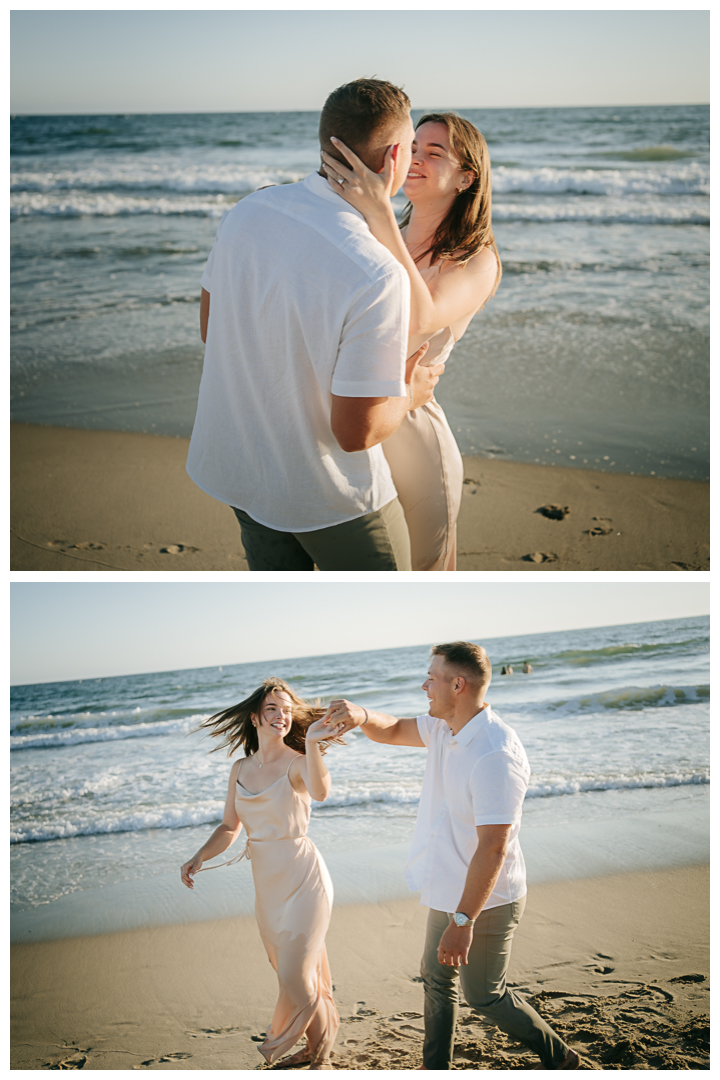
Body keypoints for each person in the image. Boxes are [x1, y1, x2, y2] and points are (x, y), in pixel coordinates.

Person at [186, 79, 444, 571]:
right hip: (330, 496)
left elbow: (210, 328)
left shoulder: (248, 211)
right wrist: (410, 391)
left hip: (243, 473)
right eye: (412, 147)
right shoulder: (376, 270)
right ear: (393, 156)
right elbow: (356, 433)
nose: (412, 160)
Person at [321, 642, 580, 1070]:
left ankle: (562, 1058)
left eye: (432, 678)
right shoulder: (447, 726)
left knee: (483, 995)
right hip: (447, 883)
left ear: (457, 685)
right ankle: (435, 1068)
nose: (424, 685)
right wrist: (362, 715)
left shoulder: (495, 754)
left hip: (488, 898)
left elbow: (493, 848)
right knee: (435, 978)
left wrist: (463, 921)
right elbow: (393, 730)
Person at [321, 114, 501, 570]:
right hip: (350, 416)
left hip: (413, 433)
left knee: (421, 573)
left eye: (434, 153)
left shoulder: (476, 260)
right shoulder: (379, 235)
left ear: (466, 177)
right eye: (413, 148)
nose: (415, 159)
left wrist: (378, 210)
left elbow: (419, 316)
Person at [180, 679, 342, 1068]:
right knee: (290, 974)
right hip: (267, 889)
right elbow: (229, 827)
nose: (281, 715)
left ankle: (320, 1058)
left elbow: (320, 791)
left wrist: (315, 743)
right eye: (272, 708)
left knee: (298, 975)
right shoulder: (240, 768)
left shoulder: (300, 761)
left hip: (304, 879)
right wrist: (199, 856)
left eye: (286, 709)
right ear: (255, 717)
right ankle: (316, 1048)